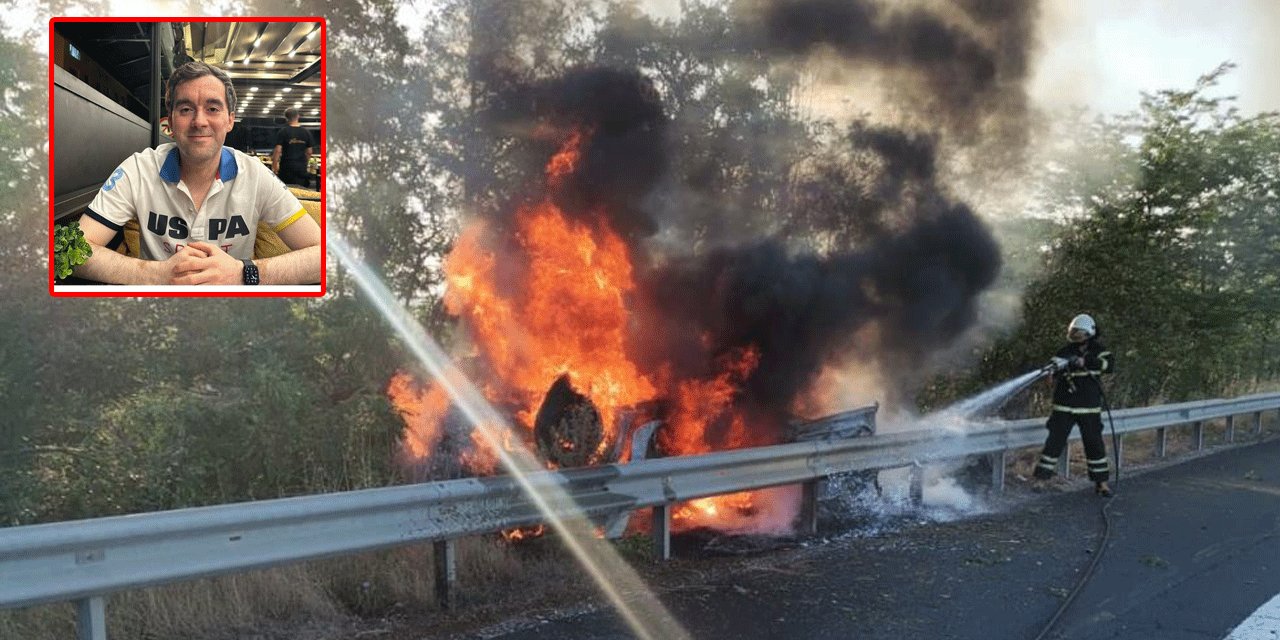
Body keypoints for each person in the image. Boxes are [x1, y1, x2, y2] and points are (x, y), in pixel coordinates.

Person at [74, 61, 321, 285]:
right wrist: (158, 274)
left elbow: (325, 256)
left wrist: (241, 273)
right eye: (185, 109)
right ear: (169, 121)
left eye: (212, 108)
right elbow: (72, 252)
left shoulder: (255, 175)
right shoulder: (137, 170)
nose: (199, 121)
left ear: (230, 120)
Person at [1033, 314, 1116, 496]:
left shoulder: (1099, 351)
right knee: (1054, 443)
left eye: (1079, 333)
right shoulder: (1064, 352)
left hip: (1088, 406)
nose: (1075, 337)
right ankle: (1041, 480)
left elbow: (1108, 365)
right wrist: (1049, 373)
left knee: (1094, 444)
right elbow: (1052, 372)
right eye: (1073, 333)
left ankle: (1101, 483)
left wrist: (1085, 361)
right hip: (1064, 406)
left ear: (1089, 333)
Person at [271, 107, 314, 188]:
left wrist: (274, 166)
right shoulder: (306, 132)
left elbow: (278, 150)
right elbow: (309, 152)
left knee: (286, 191)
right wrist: (305, 163)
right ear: (298, 116)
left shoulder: (283, 132)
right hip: (301, 167)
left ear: (286, 118)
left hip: (286, 167)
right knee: (302, 191)